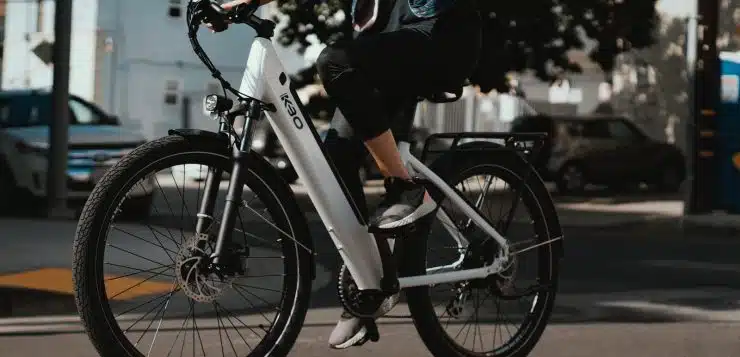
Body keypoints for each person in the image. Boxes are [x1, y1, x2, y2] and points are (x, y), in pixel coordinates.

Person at [217, 0, 482, 349]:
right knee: (335, 158)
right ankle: (371, 282)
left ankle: (405, 188)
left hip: (441, 34)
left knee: (335, 61)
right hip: (387, 44)